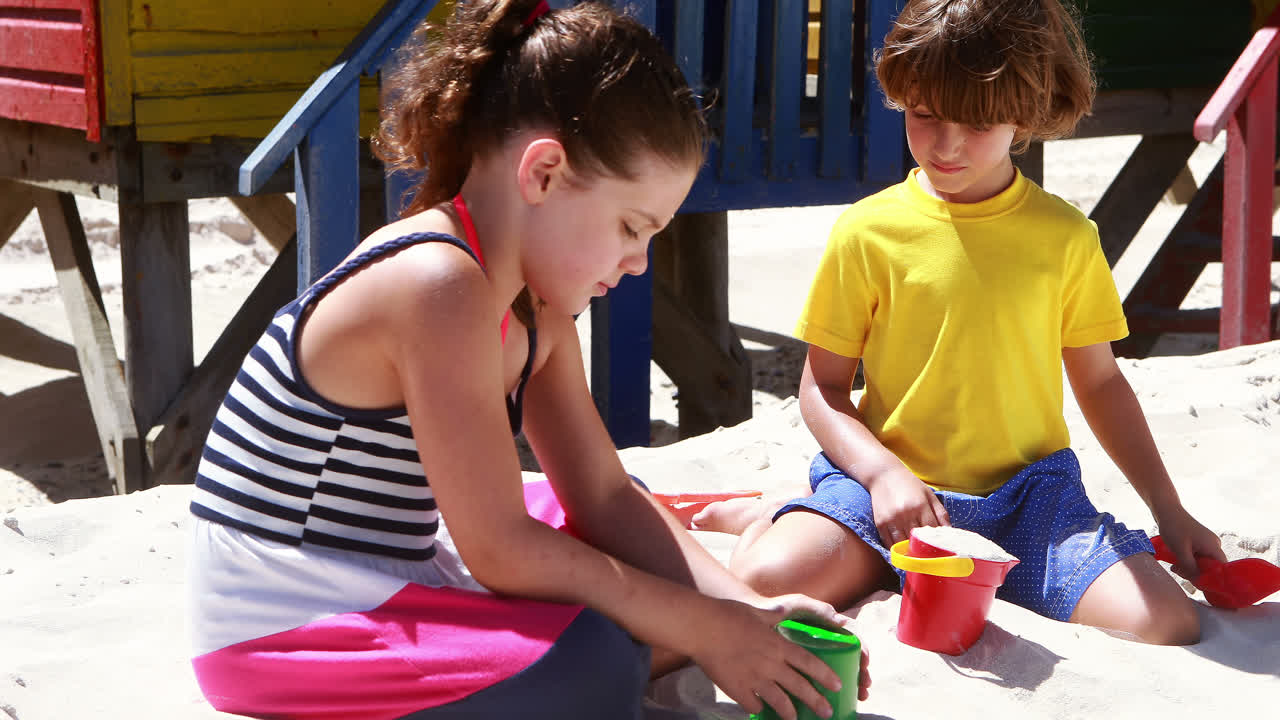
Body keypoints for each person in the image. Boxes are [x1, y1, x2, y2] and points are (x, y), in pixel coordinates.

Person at [184, 1, 870, 718]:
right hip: (288, 623)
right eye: (631, 228)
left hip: (401, 566)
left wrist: (749, 610)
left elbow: (602, 495)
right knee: (592, 663)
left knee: (610, 518)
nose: (638, 263)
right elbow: (499, 550)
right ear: (542, 173)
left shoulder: (537, 314)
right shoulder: (437, 284)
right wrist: (701, 625)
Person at [694, 0, 1225, 646]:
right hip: (887, 494)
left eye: (975, 122)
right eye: (924, 115)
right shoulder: (867, 233)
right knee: (761, 579)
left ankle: (801, 520)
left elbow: (1102, 384)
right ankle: (779, 512)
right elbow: (821, 389)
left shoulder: (1065, 239)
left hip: (1031, 502)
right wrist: (883, 474)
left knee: (1166, 621)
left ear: (1024, 112)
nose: (946, 144)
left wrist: (1168, 511)